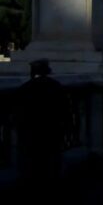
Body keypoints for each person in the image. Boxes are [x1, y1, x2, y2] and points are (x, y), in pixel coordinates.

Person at [14, 59, 69, 188]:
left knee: (32, 165)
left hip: (31, 134)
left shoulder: (25, 88)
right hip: (52, 131)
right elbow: (64, 110)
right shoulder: (56, 86)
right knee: (52, 162)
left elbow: (18, 114)